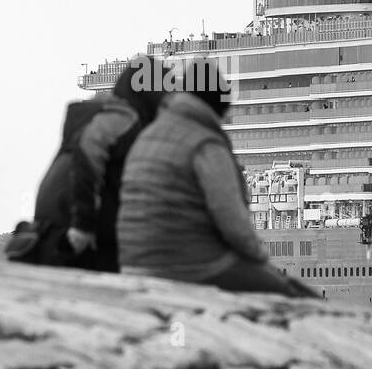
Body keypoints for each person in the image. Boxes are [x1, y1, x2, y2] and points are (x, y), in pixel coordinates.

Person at [117, 58, 317, 297]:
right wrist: (260, 260)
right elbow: (232, 222)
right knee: (292, 294)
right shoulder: (206, 143)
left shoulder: (148, 134)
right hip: (186, 267)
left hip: (133, 264)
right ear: (218, 103)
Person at [7, 56, 165, 271]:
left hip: (50, 235)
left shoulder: (92, 119)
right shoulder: (121, 117)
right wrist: (83, 226)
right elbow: (89, 153)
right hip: (74, 239)